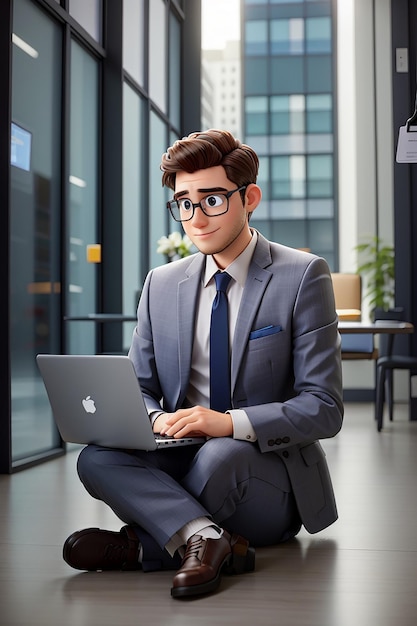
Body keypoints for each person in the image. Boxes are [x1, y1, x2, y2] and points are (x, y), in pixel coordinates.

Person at [63, 129, 343, 598]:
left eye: (211, 200)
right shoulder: (162, 282)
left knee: (220, 453)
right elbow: (141, 384)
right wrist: (155, 419)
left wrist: (226, 423)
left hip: (264, 470)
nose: (196, 218)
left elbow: (324, 407)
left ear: (249, 197)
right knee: (95, 459)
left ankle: (141, 547)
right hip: (179, 452)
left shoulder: (302, 276)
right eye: (184, 203)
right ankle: (208, 538)